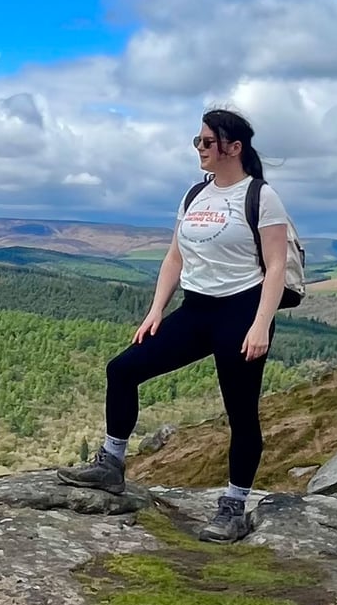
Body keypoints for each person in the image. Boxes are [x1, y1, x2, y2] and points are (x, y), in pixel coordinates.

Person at [58, 108, 293, 543]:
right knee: (122, 370)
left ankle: (235, 506)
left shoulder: (260, 196)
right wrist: (155, 311)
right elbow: (174, 257)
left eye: (207, 142)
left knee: (240, 414)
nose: (199, 149)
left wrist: (261, 324)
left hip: (242, 312)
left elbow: (276, 267)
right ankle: (111, 464)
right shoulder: (193, 195)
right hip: (196, 309)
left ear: (233, 147)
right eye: (198, 141)